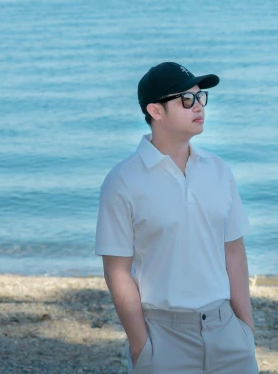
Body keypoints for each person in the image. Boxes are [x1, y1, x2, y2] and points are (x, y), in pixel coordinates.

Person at [95, 61, 259, 373]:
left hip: (228, 332)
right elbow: (117, 271)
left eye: (201, 97)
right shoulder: (123, 181)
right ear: (156, 111)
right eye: (187, 100)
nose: (199, 106)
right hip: (163, 336)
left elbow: (234, 252)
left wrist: (245, 328)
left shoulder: (219, 170)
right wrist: (141, 346)